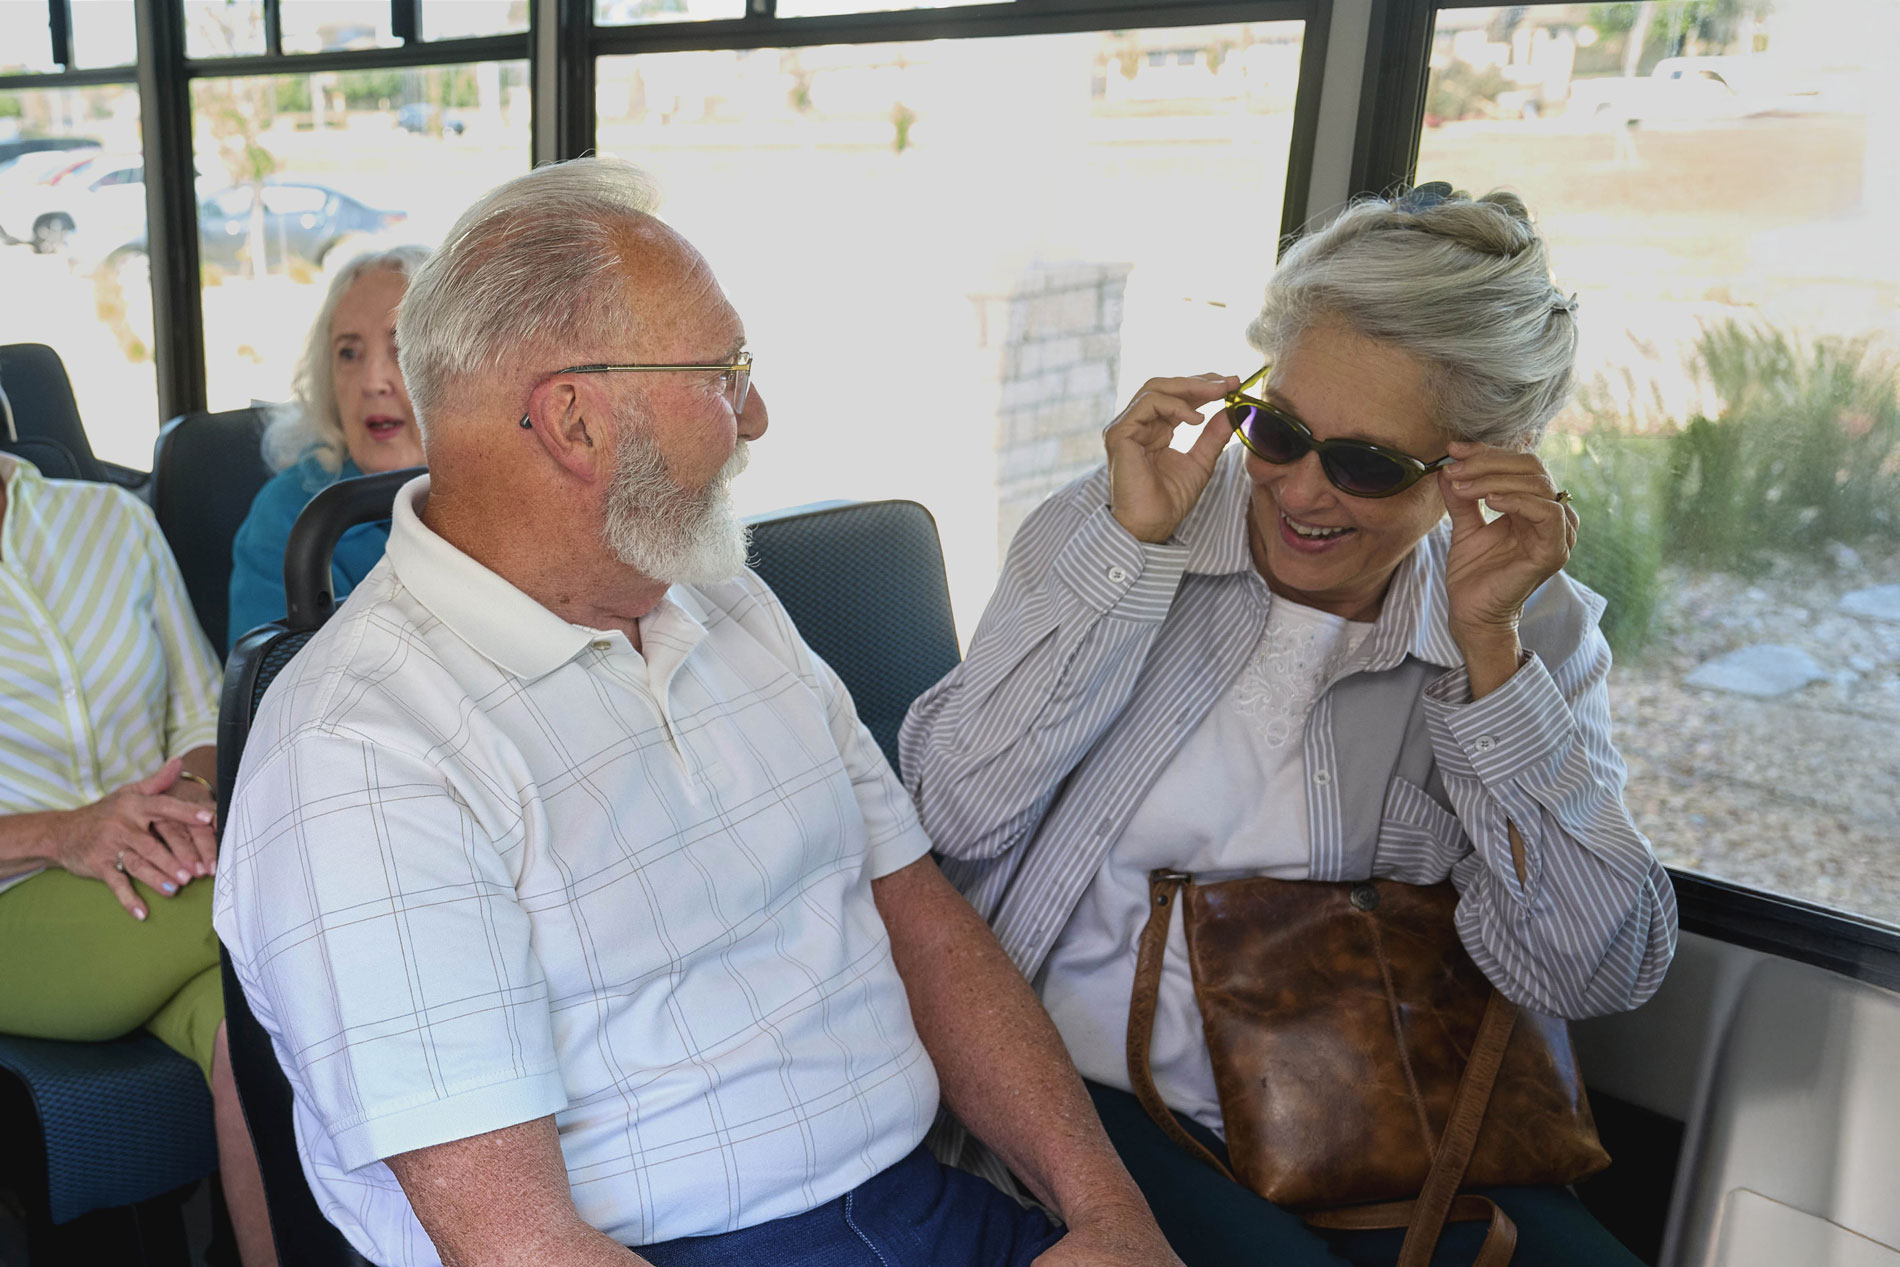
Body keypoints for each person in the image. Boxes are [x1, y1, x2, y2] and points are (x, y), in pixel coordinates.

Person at [213, 157, 1179, 1267]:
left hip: (921, 1203)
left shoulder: (726, 602)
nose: (757, 413)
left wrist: (1106, 1212)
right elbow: (516, 1240)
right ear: (574, 419)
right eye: (725, 373)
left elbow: (923, 925)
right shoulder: (362, 751)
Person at [899, 186, 1678, 1267]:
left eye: (1364, 464)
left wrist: (1492, 668)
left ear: (1481, 466)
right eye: (1282, 430)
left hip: (1370, 1107)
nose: (1302, 490)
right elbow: (953, 809)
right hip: (1088, 1092)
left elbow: (1587, 971)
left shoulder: (1524, 617)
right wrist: (1125, 561)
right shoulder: (1125, 517)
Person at [0, 443, 276, 1267]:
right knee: (283, 900)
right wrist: (68, 829)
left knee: (257, 1031)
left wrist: (185, 801)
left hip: (164, 872)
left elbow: (200, 715)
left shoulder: (112, 520)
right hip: (20, 895)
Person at [227, 245, 429, 646]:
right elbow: (279, 698)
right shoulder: (291, 520)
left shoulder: (526, 489)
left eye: (402, 347)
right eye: (348, 353)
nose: (372, 381)